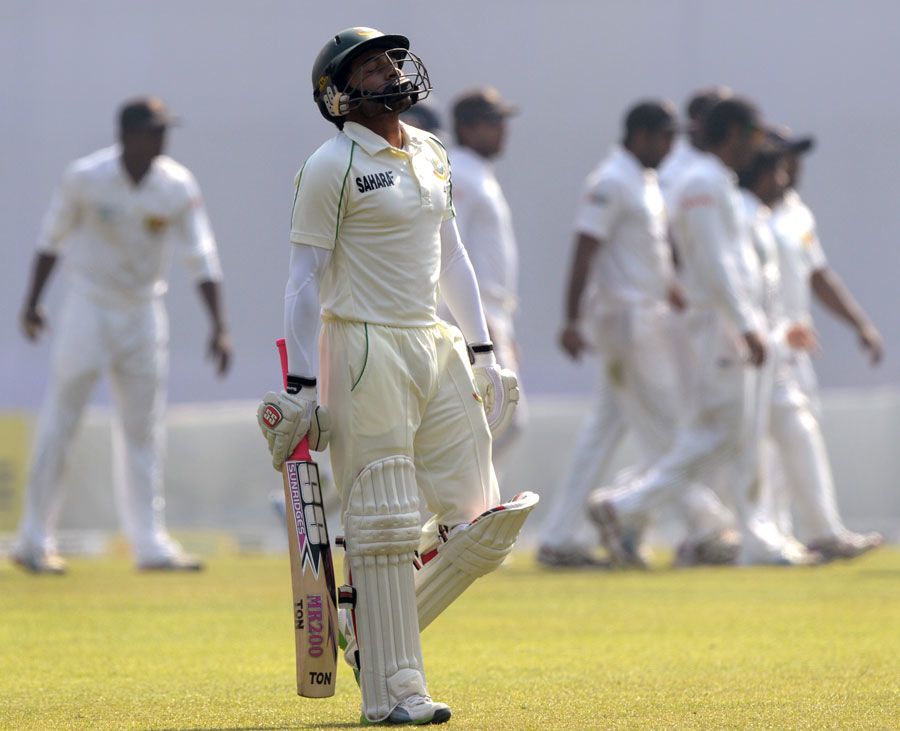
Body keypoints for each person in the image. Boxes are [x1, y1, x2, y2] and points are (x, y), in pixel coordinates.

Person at [256, 27, 536, 726]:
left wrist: (483, 351)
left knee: (485, 523)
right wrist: (300, 388)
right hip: (361, 346)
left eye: (389, 58)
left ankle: (364, 626)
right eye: (371, 64)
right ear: (339, 95)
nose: (388, 69)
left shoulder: (434, 154)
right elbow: (302, 280)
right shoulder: (331, 165)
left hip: (432, 341)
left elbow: (452, 258)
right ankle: (395, 691)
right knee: (381, 525)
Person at [588, 97, 818, 566]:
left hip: (731, 324)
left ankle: (754, 533)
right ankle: (625, 505)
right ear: (733, 133)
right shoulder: (702, 182)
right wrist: (747, 323)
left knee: (734, 439)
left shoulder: (718, 183)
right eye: (754, 136)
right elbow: (716, 263)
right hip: (721, 329)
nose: (758, 147)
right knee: (716, 436)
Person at [13, 97, 231, 574]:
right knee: (61, 420)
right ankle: (33, 538)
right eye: (153, 131)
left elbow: (202, 256)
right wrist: (32, 305)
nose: (162, 140)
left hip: (144, 311)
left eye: (164, 131)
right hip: (88, 307)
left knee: (142, 428)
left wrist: (220, 327)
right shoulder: (85, 178)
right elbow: (51, 240)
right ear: (128, 135)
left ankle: (149, 543)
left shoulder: (175, 183)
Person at [538, 101, 735, 569]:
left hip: (646, 317)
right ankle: (705, 523)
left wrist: (673, 290)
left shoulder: (644, 182)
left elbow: (645, 255)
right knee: (667, 428)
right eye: (666, 137)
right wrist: (569, 320)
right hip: (627, 323)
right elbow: (585, 250)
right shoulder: (611, 181)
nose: (672, 147)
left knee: (603, 432)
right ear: (642, 135)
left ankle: (561, 535)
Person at [765, 128, 883, 560]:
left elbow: (819, 276)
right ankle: (781, 533)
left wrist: (860, 324)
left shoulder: (797, 213)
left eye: (796, 158)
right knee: (767, 442)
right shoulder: (748, 210)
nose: (794, 167)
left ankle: (805, 532)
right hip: (760, 344)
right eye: (785, 158)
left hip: (797, 345)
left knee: (797, 435)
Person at [448, 87, 525, 467]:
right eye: (493, 122)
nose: (502, 130)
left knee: (497, 423)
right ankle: (460, 514)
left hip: (493, 315)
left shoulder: (478, 173)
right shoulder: (458, 172)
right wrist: (476, 328)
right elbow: (449, 252)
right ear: (467, 127)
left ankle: (460, 514)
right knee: (503, 422)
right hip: (473, 316)